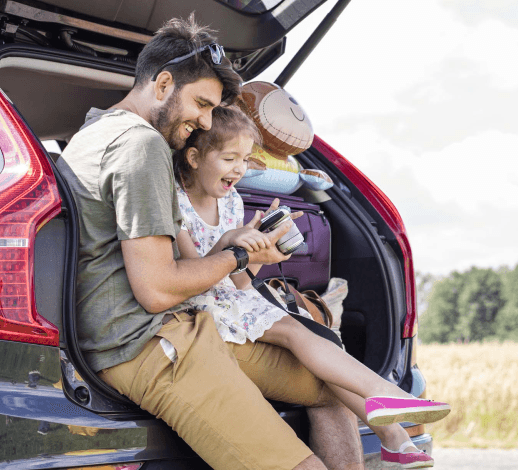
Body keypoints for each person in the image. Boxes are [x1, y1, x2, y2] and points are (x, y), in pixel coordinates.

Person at [56, 15, 366, 470]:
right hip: (153, 345)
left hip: (188, 326)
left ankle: (395, 427)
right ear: (162, 84)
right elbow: (158, 288)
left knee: (336, 386)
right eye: (200, 104)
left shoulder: (93, 131)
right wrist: (239, 253)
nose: (204, 120)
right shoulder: (140, 146)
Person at [173, 105, 449, 469]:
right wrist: (228, 243)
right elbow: (190, 278)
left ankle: (389, 418)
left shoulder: (232, 200)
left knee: (313, 335)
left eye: (245, 159)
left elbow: (240, 280)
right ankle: (386, 409)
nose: (240, 169)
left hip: (234, 301)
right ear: (193, 157)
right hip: (202, 310)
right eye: (229, 158)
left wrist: (260, 252)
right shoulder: (175, 203)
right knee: (299, 334)